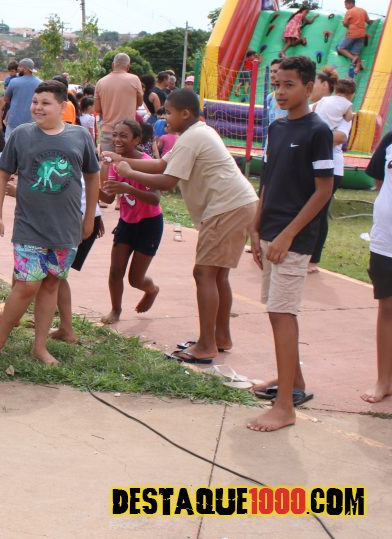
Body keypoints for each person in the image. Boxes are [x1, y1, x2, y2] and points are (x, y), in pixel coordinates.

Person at [105, 88, 258, 363]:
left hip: (226, 208)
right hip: (237, 205)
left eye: (169, 112)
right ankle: (220, 337)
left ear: (185, 113)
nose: (165, 117)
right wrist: (122, 161)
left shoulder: (191, 138)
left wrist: (129, 172)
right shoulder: (196, 133)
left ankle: (207, 345)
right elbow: (162, 164)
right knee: (218, 276)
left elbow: (166, 181)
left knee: (204, 274)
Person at [0, 81, 99, 364]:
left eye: (45, 103)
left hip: (66, 228)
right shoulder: (21, 135)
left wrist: (89, 218)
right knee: (27, 285)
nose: (38, 107)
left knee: (52, 284)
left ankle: (40, 346)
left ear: (62, 106)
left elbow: (93, 177)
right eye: (35, 102)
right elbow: (1, 174)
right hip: (29, 226)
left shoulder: (80, 136)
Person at [248, 55, 333, 433]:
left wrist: (288, 234)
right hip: (269, 231)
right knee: (275, 310)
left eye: (289, 85)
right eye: (277, 85)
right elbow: (268, 181)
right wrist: (256, 226)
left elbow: (323, 191)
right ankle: (292, 380)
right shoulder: (277, 127)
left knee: (283, 314)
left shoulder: (318, 131)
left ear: (309, 88)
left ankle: (285, 407)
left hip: (293, 239)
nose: (280, 92)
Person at [98, 120, 163, 324]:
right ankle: (115, 309)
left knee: (135, 279)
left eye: (123, 136)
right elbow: (108, 198)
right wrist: (89, 184)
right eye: (115, 135)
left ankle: (151, 290)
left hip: (150, 224)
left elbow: (155, 199)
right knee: (115, 271)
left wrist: (128, 189)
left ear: (137, 140)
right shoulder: (112, 164)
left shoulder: (146, 163)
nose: (117, 139)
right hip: (126, 222)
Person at [307, 74, 355, 273]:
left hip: (332, 166)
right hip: (311, 162)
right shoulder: (338, 106)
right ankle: (300, 251)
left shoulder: (330, 105)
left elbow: (341, 137)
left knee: (319, 212)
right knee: (303, 208)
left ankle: (313, 258)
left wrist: (315, 136)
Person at [362, 128, 392, 404]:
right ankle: (384, 380)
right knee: (387, 308)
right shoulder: (391, 139)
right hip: (385, 241)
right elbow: (381, 182)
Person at [94, 53, 142, 202]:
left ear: (113, 65)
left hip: (108, 129)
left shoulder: (101, 82)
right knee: (126, 162)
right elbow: (139, 103)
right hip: (128, 132)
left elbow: (97, 108)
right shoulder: (134, 79)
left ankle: (106, 195)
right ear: (128, 66)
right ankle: (121, 201)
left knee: (106, 162)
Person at [0, 58, 40, 137]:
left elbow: (6, 99)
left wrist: (15, 102)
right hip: (31, 122)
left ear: (25, 69)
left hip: (14, 121)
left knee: (10, 142)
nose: (18, 69)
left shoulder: (14, 81)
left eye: (20, 67)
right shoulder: (40, 83)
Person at [338, 0, 374, 77]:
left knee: (341, 48)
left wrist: (347, 25)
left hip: (352, 33)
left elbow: (345, 23)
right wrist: (374, 22)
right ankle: (358, 67)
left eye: (346, 5)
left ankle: (356, 61)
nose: (345, 7)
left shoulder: (349, 11)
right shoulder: (363, 11)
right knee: (355, 52)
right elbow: (368, 22)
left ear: (351, 3)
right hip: (362, 34)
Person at [263, 58, 287, 127]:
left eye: (275, 71)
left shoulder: (291, 96)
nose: (272, 75)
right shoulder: (270, 97)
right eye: (271, 71)